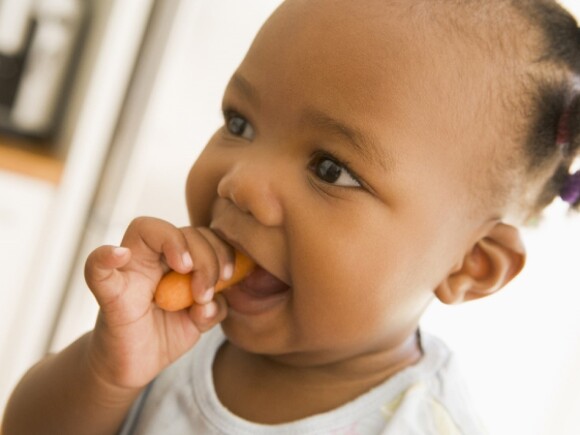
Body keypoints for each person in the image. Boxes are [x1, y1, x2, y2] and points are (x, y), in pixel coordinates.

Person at [3, 0, 580, 433]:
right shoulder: (178, 336)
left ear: (471, 266)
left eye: (331, 169)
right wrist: (107, 372)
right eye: (240, 123)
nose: (241, 182)